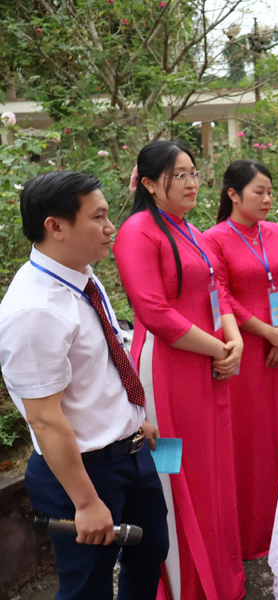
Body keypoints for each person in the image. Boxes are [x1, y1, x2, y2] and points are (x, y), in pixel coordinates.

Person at [0, 171, 168, 600]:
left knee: (150, 553)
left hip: (131, 453)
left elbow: (102, 365)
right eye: (98, 217)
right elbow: (44, 419)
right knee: (87, 586)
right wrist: (87, 502)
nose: (111, 227)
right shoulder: (35, 310)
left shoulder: (82, 277)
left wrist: (134, 418)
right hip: (84, 472)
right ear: (55, 226)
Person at [114, 141, 245, 600]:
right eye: (180, 175)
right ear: (150, 184)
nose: (192, 183)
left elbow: (217, 291)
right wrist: (220, 348)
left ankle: (215, 575)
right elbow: (154, 312)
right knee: (171, 470)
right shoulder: (137, 232)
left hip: (207, 369)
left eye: (194, 173)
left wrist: (234, 340)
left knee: (210, 469)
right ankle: (179, 584)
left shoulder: (190, 230)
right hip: (165, 377)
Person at [203, 160, 278, 560]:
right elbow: (221, 295)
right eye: (259, 192)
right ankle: (253, 532)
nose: (267, 199)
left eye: (270, 192)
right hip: (245, 348)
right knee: (251, 439)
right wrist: (267, 333)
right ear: (233, 194)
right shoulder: (213, 239)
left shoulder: (277, 234)